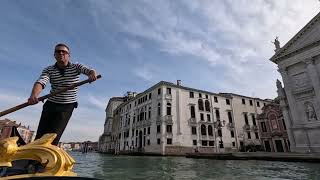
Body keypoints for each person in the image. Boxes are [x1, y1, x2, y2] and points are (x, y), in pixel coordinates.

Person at [28, 43, 97, 145]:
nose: (61, 53)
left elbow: (89, 70)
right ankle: (33, 159)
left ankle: (48, 158)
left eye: (64, 52)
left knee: (53, 137)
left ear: (68, 55)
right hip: (51, 104)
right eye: (58, 51)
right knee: (40, 136)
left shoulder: (76, 66)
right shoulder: (49, 70)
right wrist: (34, 96)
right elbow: (41, 82)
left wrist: (92, 74)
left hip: (67, 106)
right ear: (54, 55)